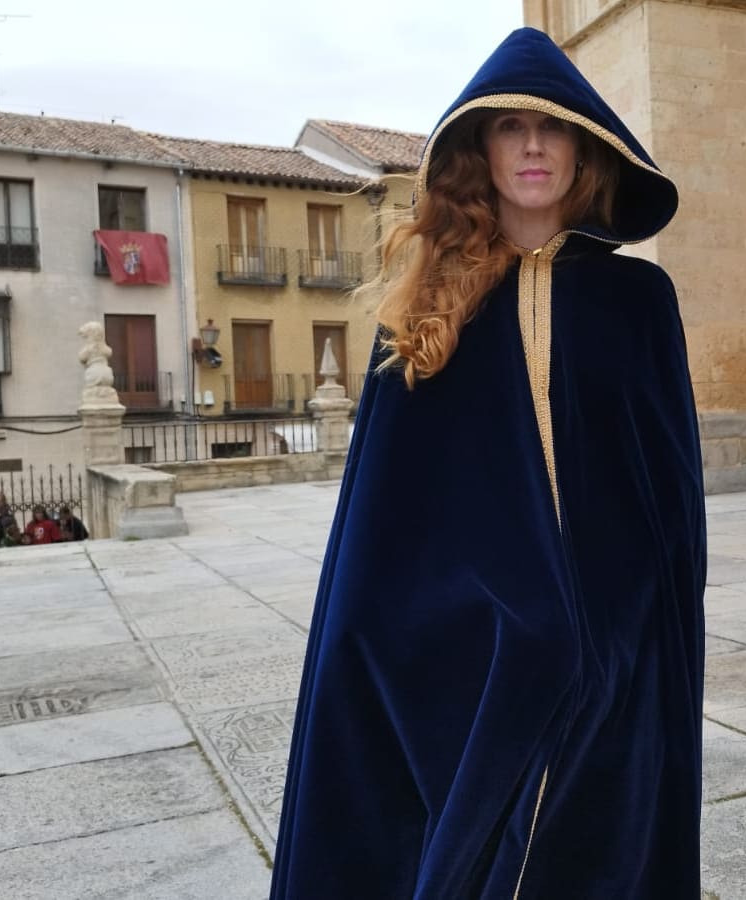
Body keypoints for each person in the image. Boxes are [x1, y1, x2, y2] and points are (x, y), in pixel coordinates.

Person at [270, 28, 706, 900]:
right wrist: (407, 634)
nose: (533, 146)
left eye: (552, 128)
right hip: (471, 640)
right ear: (481, 150)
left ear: (585, 148)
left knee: (590, 842)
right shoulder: (423, 313)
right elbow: (384, 518)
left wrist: (634, 629)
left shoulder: (638, 300)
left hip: (612, 637)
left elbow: (670, 495)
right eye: (511, 127)